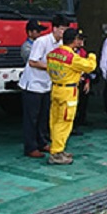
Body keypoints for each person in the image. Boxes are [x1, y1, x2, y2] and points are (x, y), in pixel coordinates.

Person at [18, 14, 69, 158]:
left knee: (43, 117)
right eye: (62, 29)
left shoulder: (61, 45)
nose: (63, 33)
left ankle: (42, 142)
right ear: (55, 28)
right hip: (33, 85)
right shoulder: (41, 42)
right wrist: (52, 66)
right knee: (31, 118)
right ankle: (30, 147)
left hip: (47, 85)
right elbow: (33, 62)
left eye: (66, 30)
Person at [46, 28, 97, 165]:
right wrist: (92, 56)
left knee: (55, 121)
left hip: (55, 88)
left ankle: (58, 148)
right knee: (64, 123)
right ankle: (56, 153)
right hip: (68, 92)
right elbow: (90, 66)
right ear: (74, 40)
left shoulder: (52, 54)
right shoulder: (72, 58)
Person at [72, 29, 92, 136]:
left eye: (82, 39)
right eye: (79, 39)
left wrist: (87, 82)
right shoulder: (69, 52)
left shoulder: (83, 52)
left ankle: (80, 122)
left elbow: (87, 68)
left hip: (83, 81)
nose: (81, 42)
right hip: (72, 82)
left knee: (82, 103)